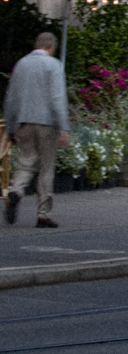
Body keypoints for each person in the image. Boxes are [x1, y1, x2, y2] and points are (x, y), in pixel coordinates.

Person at [4, 32, 70, 228]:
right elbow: (57, 98)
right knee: (46, 167)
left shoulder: (21, 64)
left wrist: (11, 126)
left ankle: (16, 191)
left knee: (25, 162)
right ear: (52, 47)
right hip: (47, 123)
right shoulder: (53, 65)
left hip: (24, 121)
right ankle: (42, 214)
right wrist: (64, 126)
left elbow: (11, 98)